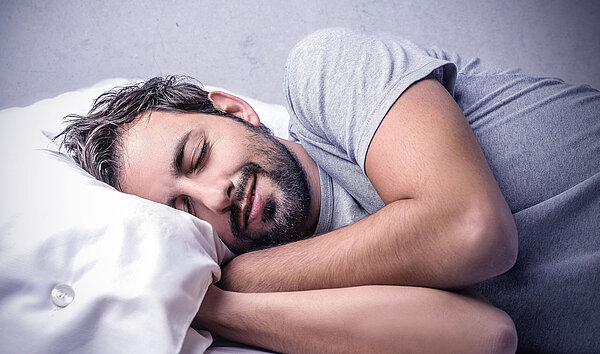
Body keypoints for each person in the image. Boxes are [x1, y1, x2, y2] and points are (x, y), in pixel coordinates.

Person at [59, 28, 599, 353]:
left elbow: (471, 231)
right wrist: (214, 307)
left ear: (232, 110)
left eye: (197, 157)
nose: (213, 195)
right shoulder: (303, 298)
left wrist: (238, 278)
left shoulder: (325, 70)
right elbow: (484, 340)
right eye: (184, 210)